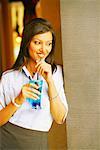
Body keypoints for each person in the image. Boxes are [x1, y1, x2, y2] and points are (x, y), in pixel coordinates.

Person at [0, 18, 68, 150]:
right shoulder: (9, 77)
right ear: (27, 43)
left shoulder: (56, 73)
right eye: (38, 43)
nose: (44, 49)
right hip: (5, 139)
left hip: (36, 141)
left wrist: (50, 81)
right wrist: (18, 100)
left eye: (48, 44)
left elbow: (60, 118)